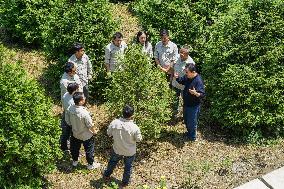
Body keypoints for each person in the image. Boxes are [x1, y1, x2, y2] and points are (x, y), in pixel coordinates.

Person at [103, 105, 142, 187]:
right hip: (129, 151)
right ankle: (125, 182)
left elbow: (108, 133)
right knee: (128, 167)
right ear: (132, 115)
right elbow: (139, 139)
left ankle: (106, 175)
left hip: (117, 148)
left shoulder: (114, 122)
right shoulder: (135, 127)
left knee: (112, 162)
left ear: (122, 113)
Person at [65, 92, 101, 170]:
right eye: (83, 98)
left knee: (74, 148)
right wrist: (94, 132)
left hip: (75, 133)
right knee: (89, 150)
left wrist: (74, 126)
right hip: (86, 135)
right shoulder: (84, 113)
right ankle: (90, 165)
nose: (85, 98)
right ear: (81, 101)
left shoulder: (69, 108)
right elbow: (90, 125)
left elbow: (67, 121)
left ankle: (75, 161)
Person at [174, 63, 205, 141]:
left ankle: (192, 137)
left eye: (187, 72)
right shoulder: (188, 76)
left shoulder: (198, 81)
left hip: (193, 106)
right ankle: (189, 133)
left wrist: (195, 93)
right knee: (186, 120)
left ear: (193, 72)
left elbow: (202, 94)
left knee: (192, 122)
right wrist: (177, 78)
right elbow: (182, 81)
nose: (185, 73)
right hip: (186, 104)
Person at [171, 46, 195, 118]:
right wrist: (172, 76)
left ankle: (185, 115)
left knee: (186, 101)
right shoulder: (177, 57)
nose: (180, 54)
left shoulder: (190, 63)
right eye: (180, 52)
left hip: (185, 86)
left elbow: (192, 76)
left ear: (187, 54)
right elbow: (173, 67)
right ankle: (174, 113)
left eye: (182, 53)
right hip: (175, 83)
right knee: (175, 99)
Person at [60, 82, 79, 152]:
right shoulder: (73, 102)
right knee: (70, 134)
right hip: (71, 119)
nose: (78, 89)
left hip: (65, 115)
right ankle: (69, 148)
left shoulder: (66, 94)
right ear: (74, 90)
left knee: (65, 133)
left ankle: (64, 146)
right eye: (77, 88)